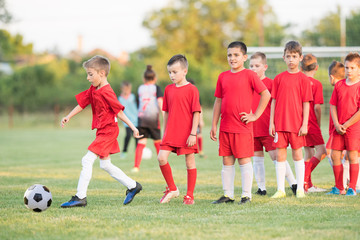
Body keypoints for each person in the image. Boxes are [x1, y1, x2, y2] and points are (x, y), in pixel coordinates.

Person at [60, 55, 143, 208]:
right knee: (105, 165)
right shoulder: (94, 89)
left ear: (102, 73)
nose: (88, 78)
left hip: (109, 131)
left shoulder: (107, 92)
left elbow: (119, 112)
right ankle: (133, 186)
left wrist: (133, 128)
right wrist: (68, 116)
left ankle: (80, 197)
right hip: (101, 131)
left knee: (87, 160)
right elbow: (83, 103)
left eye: (90, 74)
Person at [210, 41, 271, 204]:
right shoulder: (222, 76)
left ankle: (246, 195)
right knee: (227, 160)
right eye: (229, 55)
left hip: (242, 127)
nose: (232, 58)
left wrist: (255, 115)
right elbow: (218, 101)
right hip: (225, 127)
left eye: (236, 55)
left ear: (244, 57)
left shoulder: (250, 75)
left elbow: (266, 95)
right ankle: (228, 195)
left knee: (244, 160)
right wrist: (214, 124)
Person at [249, 52, 297, 196]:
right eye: (251, 66)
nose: (253, 69)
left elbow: (277, 105)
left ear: (265, 67)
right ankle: (261, 188)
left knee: (277, 157)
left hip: (268, 128)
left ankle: (293, 183)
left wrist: (275, 124)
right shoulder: (248, 84)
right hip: (252, 128)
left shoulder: (271, 83)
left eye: (257, 66)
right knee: (257, 158)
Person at [269, 41, 313, 199]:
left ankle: (300, 188)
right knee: (280, 156)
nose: (291, 59)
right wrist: (271, 122)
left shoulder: (304, 80)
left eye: (294, 56)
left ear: (300, 58)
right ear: (283, 58)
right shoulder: (279, 78)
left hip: (296, 125)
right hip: (280, 125)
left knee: (297, 154)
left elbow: (306, 103)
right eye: (288, 56)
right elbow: (273, 101)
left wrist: (304, 124)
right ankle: (280, 189)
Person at [157, 54, 201, 205]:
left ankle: (189, 196)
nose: (171, 75)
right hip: (170, 132)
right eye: (170, 72)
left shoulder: (192, 90)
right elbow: (166, 113)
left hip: (187, 134)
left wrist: (193, 133)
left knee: (190, 162)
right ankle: (172, 188)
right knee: (161, 158)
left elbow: (196, 112)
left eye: (175, 72)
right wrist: (164, 132)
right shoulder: (168, 89)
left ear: (185, 71)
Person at [327, 52, 360, 196]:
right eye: (347, 68)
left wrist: (346, 125)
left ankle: (352, 187)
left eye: (352, 68)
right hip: (338, 127)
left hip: (353, 128)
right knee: (335, 155)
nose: (349, 71)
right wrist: (336, 124)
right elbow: (333, 105)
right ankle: (339, 187)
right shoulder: (339, 85)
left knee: (352, 156)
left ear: (359, 69)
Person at [300, 54, 327, 193]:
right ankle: (303, 180)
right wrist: (317, 122)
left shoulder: (298, 81)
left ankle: (307, 186)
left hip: (299, 122)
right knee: (322, 151)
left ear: (301, 67)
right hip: (310, 122)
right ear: (316, 67)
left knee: (309, 152)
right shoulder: (316, 84)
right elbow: (317, 107)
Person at [132, 65, 163, 172]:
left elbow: (137, 103)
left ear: (144, 79)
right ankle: (162, 165)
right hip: (153, 119)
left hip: (142, 119)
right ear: (155, 79)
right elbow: (160, 102)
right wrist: (164, 115)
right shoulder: (156, 88)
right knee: (158, 143)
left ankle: (136, 167)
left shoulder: (140, 88)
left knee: (141, 143)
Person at [118, 81, 138, 159]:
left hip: (136, 120)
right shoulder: (119, 98)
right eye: (124, 89)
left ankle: (137, 153)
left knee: (137, 137)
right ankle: (124, 151)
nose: (126, 90)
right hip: (127, 121)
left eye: (128, 89)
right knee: (128, 136)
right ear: (122, 89)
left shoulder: (133, 97)